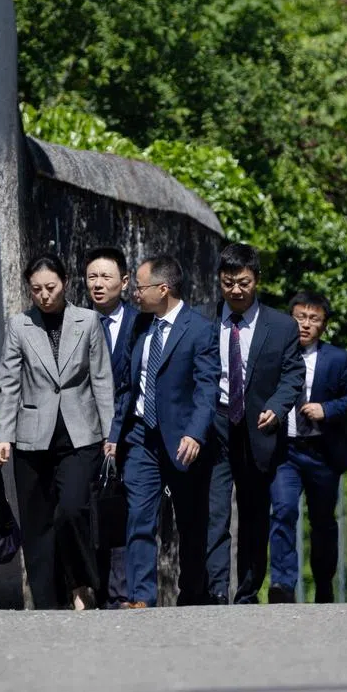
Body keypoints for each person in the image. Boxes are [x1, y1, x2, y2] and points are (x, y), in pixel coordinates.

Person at [0, 254, 115, 610]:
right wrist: (4, 435)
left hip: (81, 436)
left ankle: (81, 582)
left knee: (73, 510)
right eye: (36, 290)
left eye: (51, 287)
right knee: (37, 524)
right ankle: (46, 602)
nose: (45, 295)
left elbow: (102, 380)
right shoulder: (20, 325)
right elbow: (9, 382)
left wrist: (111, 436)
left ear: (65, 282)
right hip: (32, 436)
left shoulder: (88, 321)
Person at [106, 255, 220, 608]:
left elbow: (207, 388)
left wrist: (195, 434)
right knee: (139, 515)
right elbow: (128, 385)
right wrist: (115, 435)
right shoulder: (139, 326)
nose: (135, 293)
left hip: (183, 440)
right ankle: (140, 597)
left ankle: (193, 595)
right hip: (141, 436)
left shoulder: (200, 329)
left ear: (163, 288)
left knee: (191, 522)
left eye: (140, 287)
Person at [200, 243, 304, 604]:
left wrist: (277, 407)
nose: (236, 291)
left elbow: (293, 374)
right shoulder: (204, 322)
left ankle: (246, 592)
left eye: (243, 282)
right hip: (216, 427)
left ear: (256, 279)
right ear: (220, 282)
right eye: (228, 283)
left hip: (259, 431)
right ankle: (215, 590)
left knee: (254, 515)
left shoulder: (281, 326)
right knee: (215, 512)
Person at [267, 291, 347, 604]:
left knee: (322, 522)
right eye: (300, 317)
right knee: (282, 511)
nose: (306, 325)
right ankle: (282, 585)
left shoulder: (338, 359)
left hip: (322, 452)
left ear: (323, 325)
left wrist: (327, 409)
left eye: (314, 319)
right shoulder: (274, 355)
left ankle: (324, 584)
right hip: (286, 452)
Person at [84, 246, 139, 609]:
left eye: (106, 277)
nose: (98, 284)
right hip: (85, 432)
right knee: (87, 508)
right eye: (92, 277)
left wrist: (117, 432)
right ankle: (91, 587)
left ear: (124, 281)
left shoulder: (141, 322)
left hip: (132, 432)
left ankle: (120, 593)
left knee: (123, 511)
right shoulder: (77, 322)